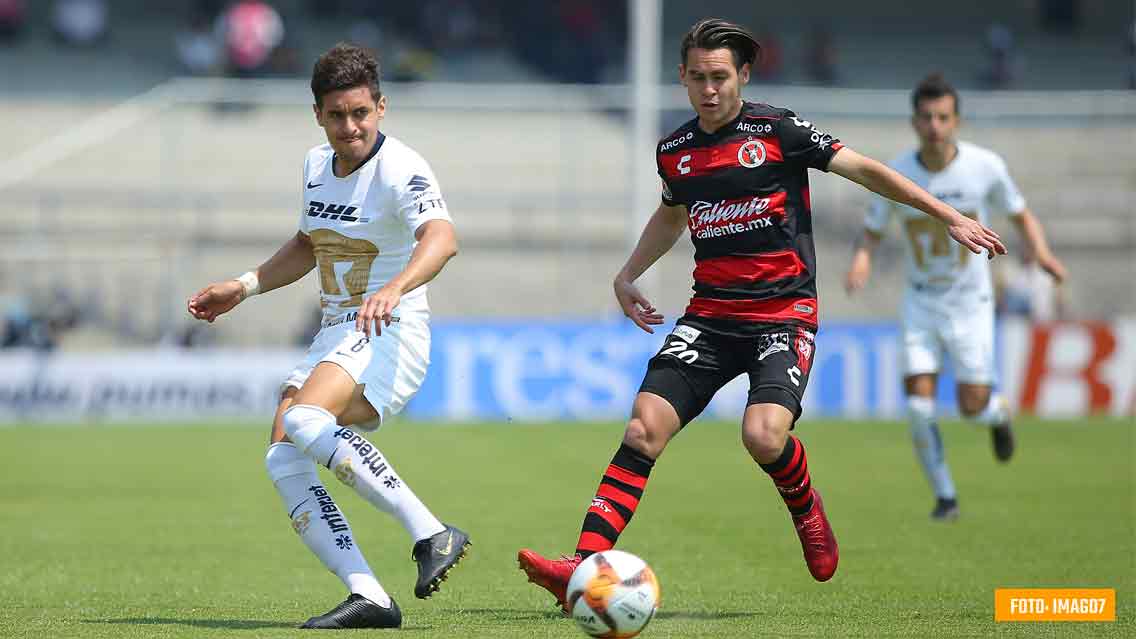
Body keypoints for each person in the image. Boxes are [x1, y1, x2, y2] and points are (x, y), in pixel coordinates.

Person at [517, 19, 1006, 612]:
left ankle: (806, 507)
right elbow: (672, 215)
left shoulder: (778, 130)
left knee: (762, 434)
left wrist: (944, 213)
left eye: (720, 76)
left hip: (782, 315)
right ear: (682, 77)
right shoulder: (675, 151)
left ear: (743, 75)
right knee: (643, 428)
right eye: (697, 77)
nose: (709, 89)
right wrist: (628, 274)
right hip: (710, 318)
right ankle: (580, 563)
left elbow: (868, 170)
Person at [187, 44, 468, 629]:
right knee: (283, 452)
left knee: (305, 422)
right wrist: (244, 286)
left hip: (391, 328)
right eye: (337, 114)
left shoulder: (402, 168)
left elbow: (441, 238)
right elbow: (308, 245)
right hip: (338, 332)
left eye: (361, 112)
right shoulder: (316, 164)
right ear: (317, 114)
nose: (351, 126)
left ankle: (431, 532)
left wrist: (397, 288)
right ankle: (368, 593)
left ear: (381, 107)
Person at [845, 73, 1066, 521]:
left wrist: (1040, 251)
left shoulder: (985, 167)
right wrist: (862, 259)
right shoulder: (898, 172)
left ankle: (997, 414)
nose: (934, 125)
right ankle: (945, 498)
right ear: (914, 122)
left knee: (972, 407)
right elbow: (873, 227)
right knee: (919, 405)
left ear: (956, 120)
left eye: (942, 117)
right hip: (921, 301)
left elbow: (1021, 215)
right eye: (926, 117)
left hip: (970, 303)